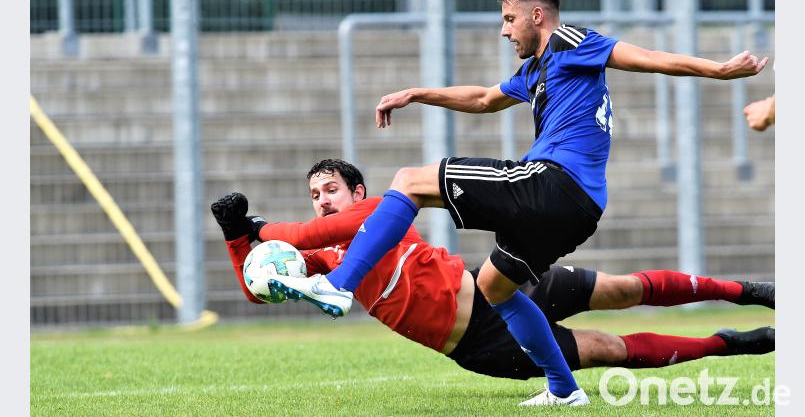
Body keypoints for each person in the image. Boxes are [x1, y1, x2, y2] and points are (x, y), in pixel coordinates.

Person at [266, 0, 769, 405]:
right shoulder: (535, 70)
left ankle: (338, 284)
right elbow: (484, 98)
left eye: (509, 19)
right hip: (578, 206)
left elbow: (646, 57)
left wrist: (721, 70)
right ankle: (563, 388)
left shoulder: (572, 41)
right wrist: (418, 93)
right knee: (494, 287)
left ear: (535, 15)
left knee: (408, 181)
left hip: (551, 182)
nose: (505, 30)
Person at [211, 159, 775, 407]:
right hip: (480, 342)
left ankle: (751, 290)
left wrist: (261, 226)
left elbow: (331, 228)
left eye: (329, 188)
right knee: (612, 350)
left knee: (625, 288)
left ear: (356, 193)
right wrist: (239, 239)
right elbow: (256, 287)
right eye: (314, 194)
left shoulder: (378, 210)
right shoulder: (319, 258)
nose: (321, 199)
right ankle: (741, 341)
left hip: (494, 284)